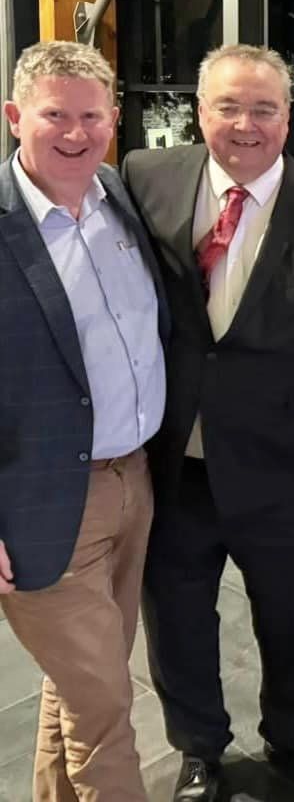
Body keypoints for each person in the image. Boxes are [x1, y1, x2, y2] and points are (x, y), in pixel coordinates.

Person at [123, 44, 294, 801]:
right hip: (176, 463)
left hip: (285, 463)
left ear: (288, 115)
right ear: (200, 112)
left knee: (292, 616)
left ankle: (293, 735)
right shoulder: (145, 179)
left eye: (264, 108)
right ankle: (199, 747)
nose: (245, 124)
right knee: (177, 621)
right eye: (228, 106)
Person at [0, 41, 167, 801]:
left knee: (80, 685)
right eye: (54, 115)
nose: (75, 132)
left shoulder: (116, 197)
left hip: (133, 485)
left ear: (114, 122)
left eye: (91, 116)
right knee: (105, 708)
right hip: (39, 508)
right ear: (13, 118)